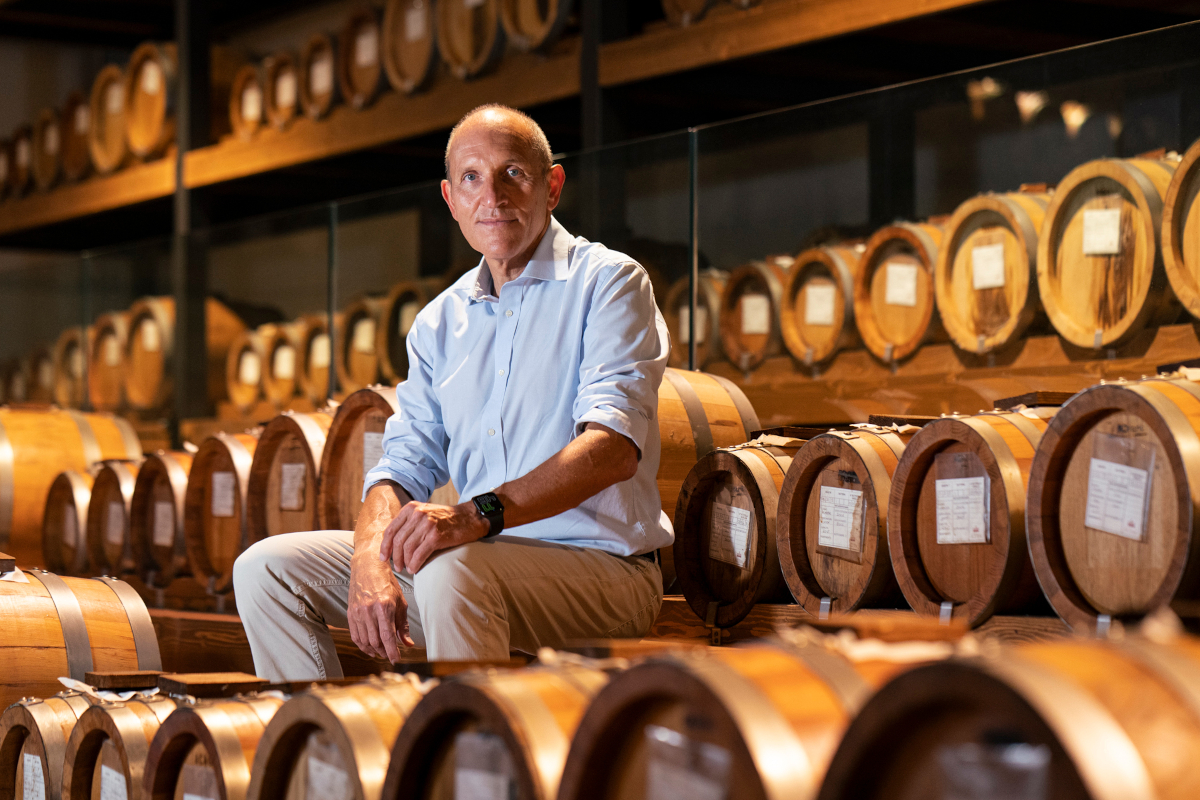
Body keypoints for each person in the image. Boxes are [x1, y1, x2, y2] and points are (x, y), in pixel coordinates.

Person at [232, 104, 672, 680]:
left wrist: (476, 515)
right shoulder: (440, 322)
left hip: (602, 569)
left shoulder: (609, 281)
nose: (492, 195)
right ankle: (327, 753)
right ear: (450, 198)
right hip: (478, 561)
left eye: (512, 172)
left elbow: (613, 447)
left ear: (552, 185)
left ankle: (471, 761)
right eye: (471, 178)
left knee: (452, 569)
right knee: (265, 569)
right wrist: (369, 554)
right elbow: (402, 464)